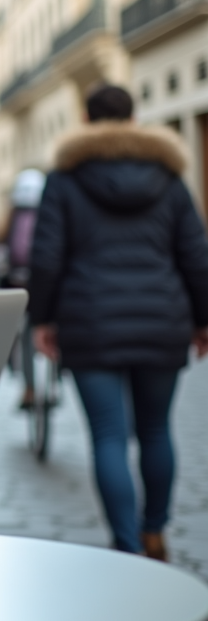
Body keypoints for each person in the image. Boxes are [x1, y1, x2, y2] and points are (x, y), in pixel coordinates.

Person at [29, 84, 208, 561]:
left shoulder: (65, 178)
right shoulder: (169, 177)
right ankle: (155, 532)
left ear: (86, 121)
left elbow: (45, 256)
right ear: (133, 120)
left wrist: (42, 318)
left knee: (108, 434)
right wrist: (203, 318)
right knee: (155, 430)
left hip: (89, 321)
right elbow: (195, 255)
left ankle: (126, 547)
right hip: (162, 318)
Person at [0, 169, 45, 409]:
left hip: (20, 281)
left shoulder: (13, 217)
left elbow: (2, 247)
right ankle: (55, 375)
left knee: (27, 335)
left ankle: (29, 388)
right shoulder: (49, 213)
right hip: (46, 282)